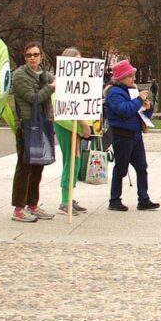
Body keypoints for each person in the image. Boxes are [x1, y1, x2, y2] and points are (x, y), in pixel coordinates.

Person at [10, 42, 57, 222]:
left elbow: (59, 80)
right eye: (29, 55)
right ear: (25, 57)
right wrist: (52, 87)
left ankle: (32, 205)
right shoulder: (20, 75)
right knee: (25, 167)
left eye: (35, 55)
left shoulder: (43, 74)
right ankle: (19, 208)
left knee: (38, 166)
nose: (32, 58)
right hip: (27, 126)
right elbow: (33, 98)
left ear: (41, 56)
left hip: (42, 124)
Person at [105, 59, 159, 211]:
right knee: (121, 168)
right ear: (121, 78)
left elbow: (139, 112)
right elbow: (125, 110)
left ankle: (144, 198)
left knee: (142, 167)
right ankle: (114, 200)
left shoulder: (132, 90)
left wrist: (148, 108)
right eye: (130, 76)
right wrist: (138, 100)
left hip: (135, 134)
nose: (134, 79)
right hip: (122, 135)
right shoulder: (114, 93)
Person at [54, 47, 92, 215]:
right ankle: (64, 201)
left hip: (74, 126)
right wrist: (82, 125)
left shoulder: (77, 81)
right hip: (67, 126)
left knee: (73, 163)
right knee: (71, 162)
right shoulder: (60, 82)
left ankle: (69, 197)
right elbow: (61, 110)